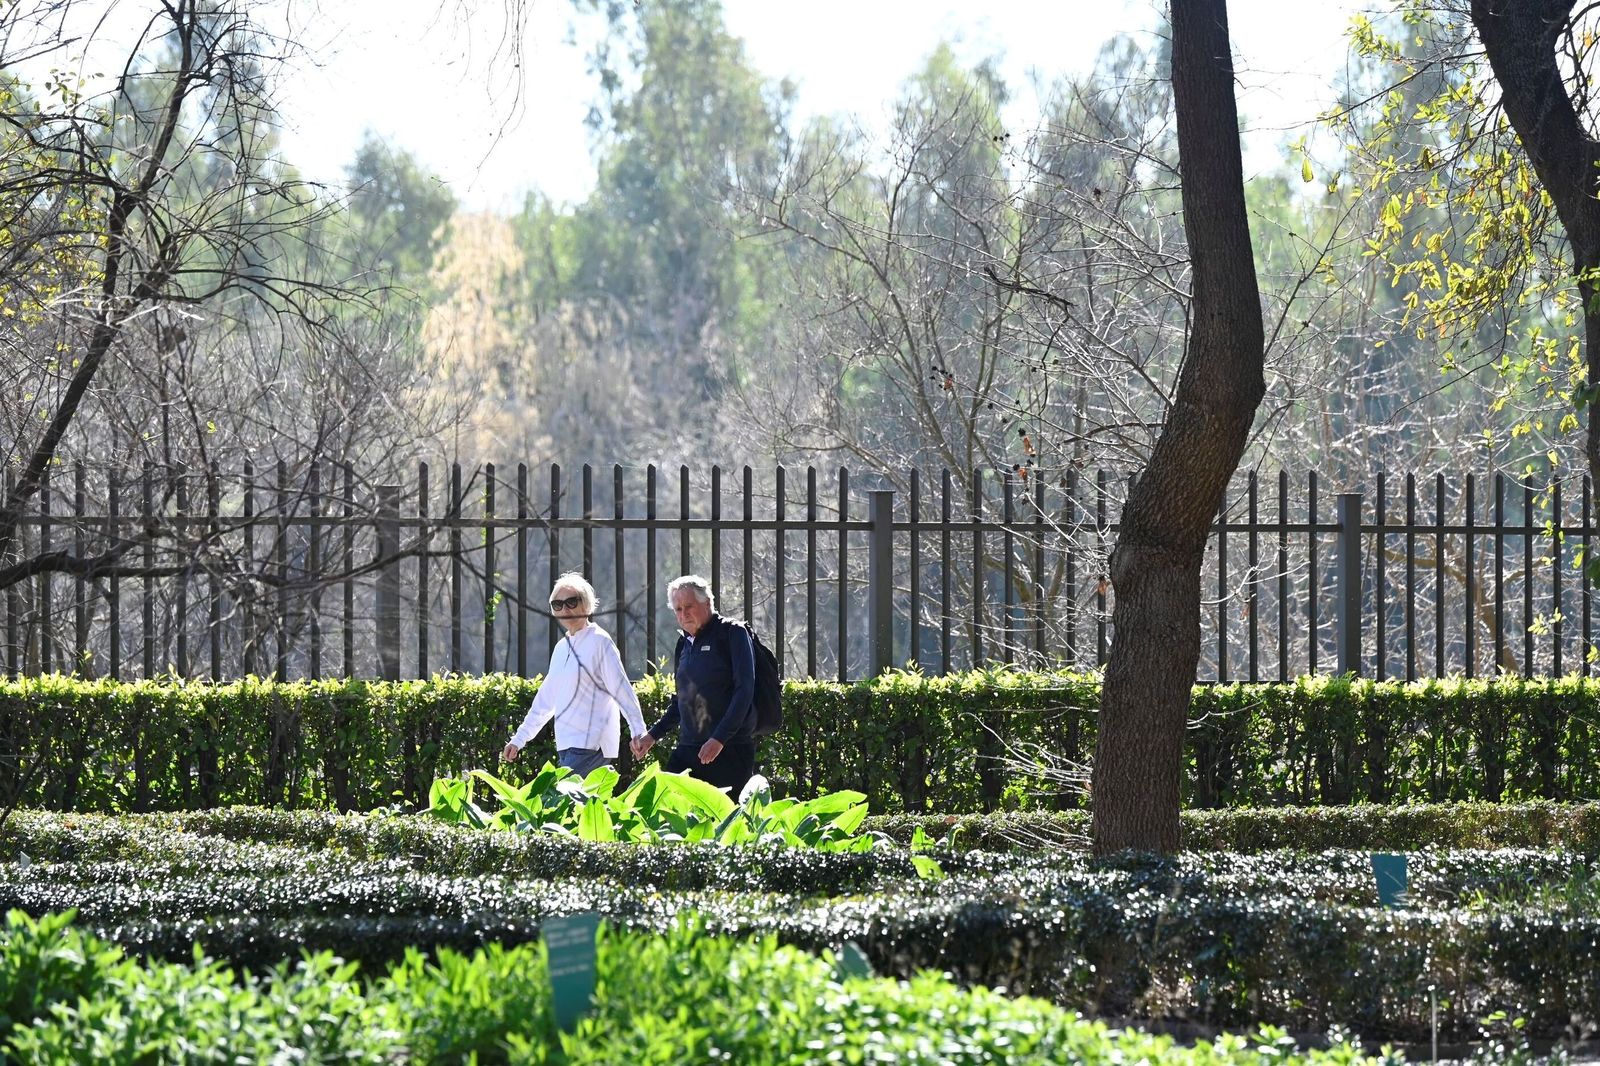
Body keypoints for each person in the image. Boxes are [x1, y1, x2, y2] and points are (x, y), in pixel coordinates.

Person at [503, 572, 647, 777]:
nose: (565, 609)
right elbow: (546, 700)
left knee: (556, 803)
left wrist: (638, 730)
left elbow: (621, 689)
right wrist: (519, 739)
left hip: (591, 745)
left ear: (587, 605)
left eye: (571, 602)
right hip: (567, 745)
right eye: (557, 605)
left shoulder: (600, 642)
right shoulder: (562, 648)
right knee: (581, 808)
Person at [630, 574, 756, 797]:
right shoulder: (684, 644)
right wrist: (651, 736)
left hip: (730, 749)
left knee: (725, 823)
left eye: (689, 606)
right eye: (678, 609)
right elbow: (681, 700)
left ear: (707, 603)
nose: (683, 614)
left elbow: (744, 691)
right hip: (689, 748)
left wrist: (719, 739)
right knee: (665, 805)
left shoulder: (733, 633)